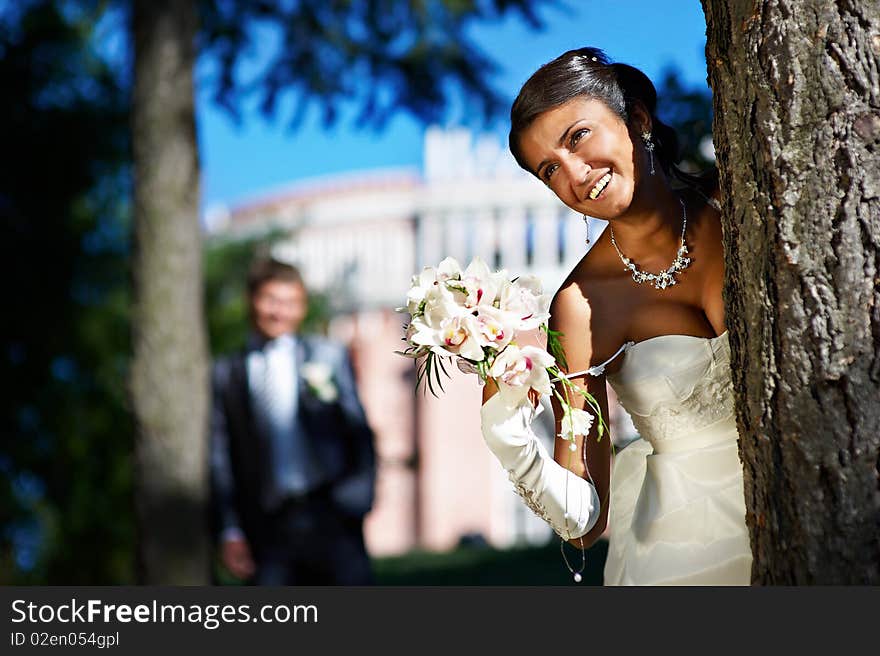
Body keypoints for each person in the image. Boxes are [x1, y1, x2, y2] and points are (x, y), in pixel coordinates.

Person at [479, 47, 753, 585]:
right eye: (550, 169)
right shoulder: (580, 305)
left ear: (638, 119)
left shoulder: (742, 198)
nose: (576, 175)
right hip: (687, 554)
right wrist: (506, 433)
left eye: (578, 136)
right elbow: (584, 521)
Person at [210, 257, 376, 585]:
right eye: (271, 300)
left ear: (302, 307)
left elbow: (358, 431)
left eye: (290, 302)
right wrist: (229, 529)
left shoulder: (328, 355)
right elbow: (221, 455)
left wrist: (357, 500)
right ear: (252, 301)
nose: (279, 312)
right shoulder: (227, 372)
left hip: (332, 515)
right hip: (268, 527)